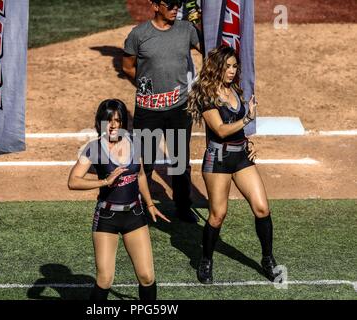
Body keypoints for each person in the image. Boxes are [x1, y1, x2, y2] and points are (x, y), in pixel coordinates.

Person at [187, 45, 281, 283]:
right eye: (227, 66)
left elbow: (235, 129)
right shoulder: (207, 95)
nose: (232, 71)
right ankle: (206, 259)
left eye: (234, 66)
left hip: (240, 158)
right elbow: (219, 129)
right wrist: (247, 120)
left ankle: (268, 258)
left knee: (262, 208)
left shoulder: (235, 90)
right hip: (218, 160)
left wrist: (247, 141)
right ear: (217, 67)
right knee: (218, 215)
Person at [68, 99, 170, 300]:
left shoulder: (134, 142)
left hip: (135, 215)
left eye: (118, 120)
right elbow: (73, 181)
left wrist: (149, 204)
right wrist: (105, 181)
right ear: (100, 122)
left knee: (147, 276)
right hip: (107, 218)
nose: (113, 125)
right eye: (108, 120)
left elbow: (140, 175)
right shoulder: (94, 148)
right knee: (105, 279)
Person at [123, 0, 202, 223]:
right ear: (156, 6)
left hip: (179, 109)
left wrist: (197, 20)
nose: (175, 8)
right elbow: (127, 66)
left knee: (179, 161)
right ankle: (140, 205)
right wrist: (143, 85)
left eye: (178, 4)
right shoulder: (139, 34)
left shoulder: (186, 30)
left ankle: (183, 206)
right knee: (145, 162)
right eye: (170, 4)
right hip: (149, 110)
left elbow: (209, 49)